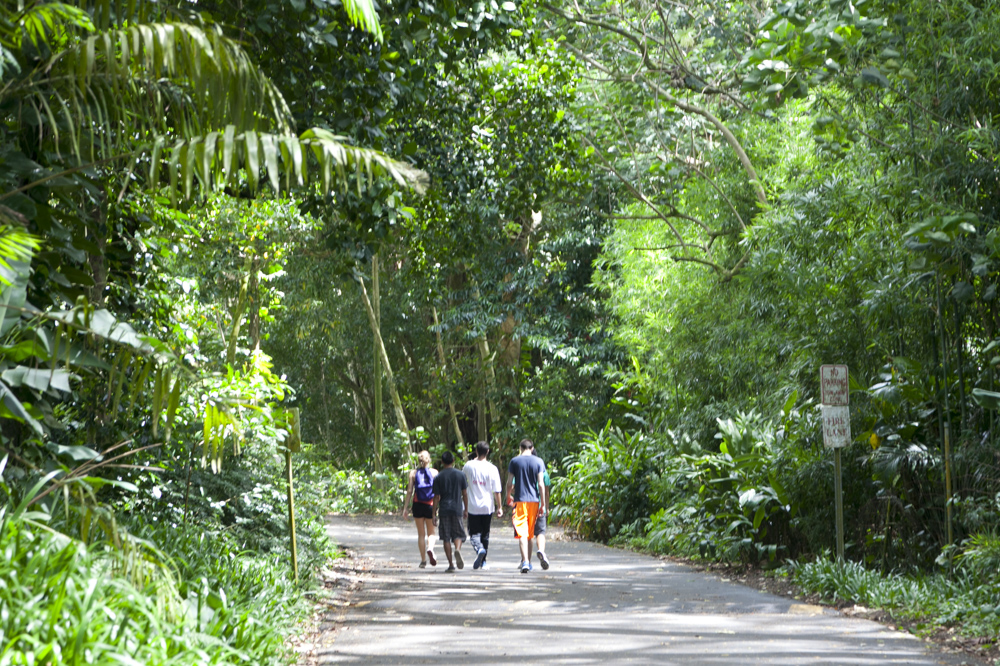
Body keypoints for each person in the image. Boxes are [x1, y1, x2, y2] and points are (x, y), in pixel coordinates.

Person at [507, 442, 552, 571]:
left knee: (522, 533)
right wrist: (543, 504)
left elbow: (509, 482)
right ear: (532, 448)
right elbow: (541, 484)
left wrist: (507, 496)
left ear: (520, 448)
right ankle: (529, 561)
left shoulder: (514, 461)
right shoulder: (539, 461)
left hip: (520, 501)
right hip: (534, 501)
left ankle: (525, 561)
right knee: (530, 535)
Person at [463, 440, 503, 570]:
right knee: (485, 534)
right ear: (487, 452)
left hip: (472, 506)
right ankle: (483, 562)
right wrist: (500, 507)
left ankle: (479, 549)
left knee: (474, 533)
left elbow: (463, 483)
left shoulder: (468, 466)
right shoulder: (492, 468)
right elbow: (497, 490)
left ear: (476, 451)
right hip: (487, 506)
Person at [432, 450, 469, 573]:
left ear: (442, 462)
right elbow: (464, 494)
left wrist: (433, 514)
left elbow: (436, 497)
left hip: (444, 509)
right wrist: (466, 509)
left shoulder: (438, 477)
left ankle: (451, 564)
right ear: (453, 461)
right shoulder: (461, 475)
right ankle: (457, 549)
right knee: (458, 533)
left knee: (446, 537)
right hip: (457, 508)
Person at [401, 450, 438, 568]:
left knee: (421, 534)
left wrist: (405, 508)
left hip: (417, 505)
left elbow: (410, 491)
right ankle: (430, 548)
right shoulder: (435, 473)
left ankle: (423, 561)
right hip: (430, 505)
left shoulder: (413, 473)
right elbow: (438, 492)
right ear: (429, 460)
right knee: (431, 533)